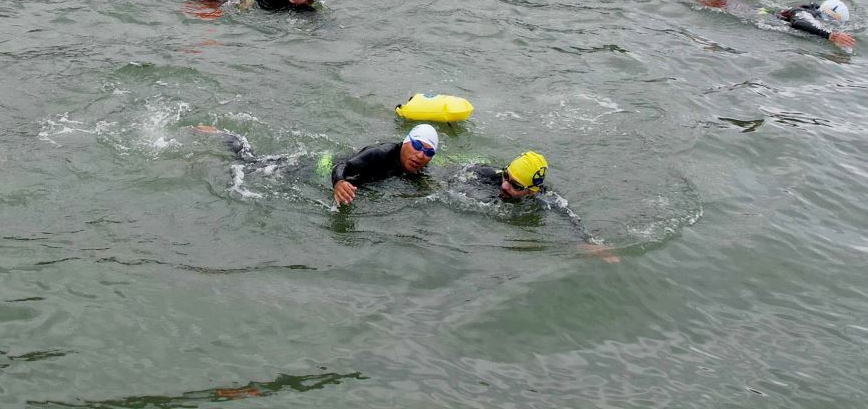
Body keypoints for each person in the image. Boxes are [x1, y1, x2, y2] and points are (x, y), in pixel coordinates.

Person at [199, 123, 439, 208]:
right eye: (417, 145)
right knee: (249, 164)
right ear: (406, 141)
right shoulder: (381, 154)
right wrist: (339, 183)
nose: (420, 155)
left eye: (428, 152)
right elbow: (343, 166)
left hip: (324, 171)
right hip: (316, 168)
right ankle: (223, 136)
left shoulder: (416, 167)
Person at [442, 151, 613, 257]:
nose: (505, 186)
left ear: (532, 191)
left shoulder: (546, 197)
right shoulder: (487, 175)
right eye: (506, 176)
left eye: (515, 185)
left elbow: (569, 217)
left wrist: (589, 242)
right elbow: (455, 175)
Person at [776, 0, 856, 49]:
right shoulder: (804, 13)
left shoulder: (817, 11)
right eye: (832, 21)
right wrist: (829, 35)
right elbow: (798, 22)